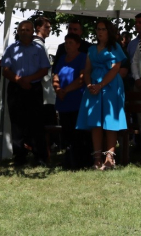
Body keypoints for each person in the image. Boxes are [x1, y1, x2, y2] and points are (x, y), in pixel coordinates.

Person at [77, 19, 128, 170]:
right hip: (93, 87)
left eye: (103, 29)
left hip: (111, 86)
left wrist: (101, 85)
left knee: (110, 121)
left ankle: (110, 158)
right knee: (96, 123)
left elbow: (115, 69)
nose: (100, 32)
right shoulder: (91, 49)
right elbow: (87, 70)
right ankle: (97, 158)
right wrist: (89, 85)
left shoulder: (115, 47)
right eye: (98, 29)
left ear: (109, 31)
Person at [2, 20, 50, 166]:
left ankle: (39, 158)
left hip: (34, 88)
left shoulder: (39, 48)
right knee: (17, 124)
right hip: (16, 89)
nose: (24, 32)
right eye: (21, 30)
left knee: (36, 123)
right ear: (17, 31)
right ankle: (19, 158)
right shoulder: (11, 49)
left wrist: (28, 79)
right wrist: (18, 80)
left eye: (27, 30)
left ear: (32, 32)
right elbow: (5, 69)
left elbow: (44, 69)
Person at [52, 33, 90, 169]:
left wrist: (65, 90)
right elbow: (55, 75)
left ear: (78, 44)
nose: (67, 45)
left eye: (70, 43)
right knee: (66, 133)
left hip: (77, 101)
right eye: (66, 42)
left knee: (78, 134)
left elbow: (81, 79)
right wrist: (57, 89)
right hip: (63, 102)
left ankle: (80, 162)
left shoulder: (83, 58)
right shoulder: (62, 58)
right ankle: (69, 160)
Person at [33, 17, 57, 130]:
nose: (49, 30)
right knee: (46, 126)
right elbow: (43, 72)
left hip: (45, 92)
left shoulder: (40, 44)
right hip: (43, 92)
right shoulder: (38, 45)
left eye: (49, 27)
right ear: (38, 28)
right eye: (46, 27)